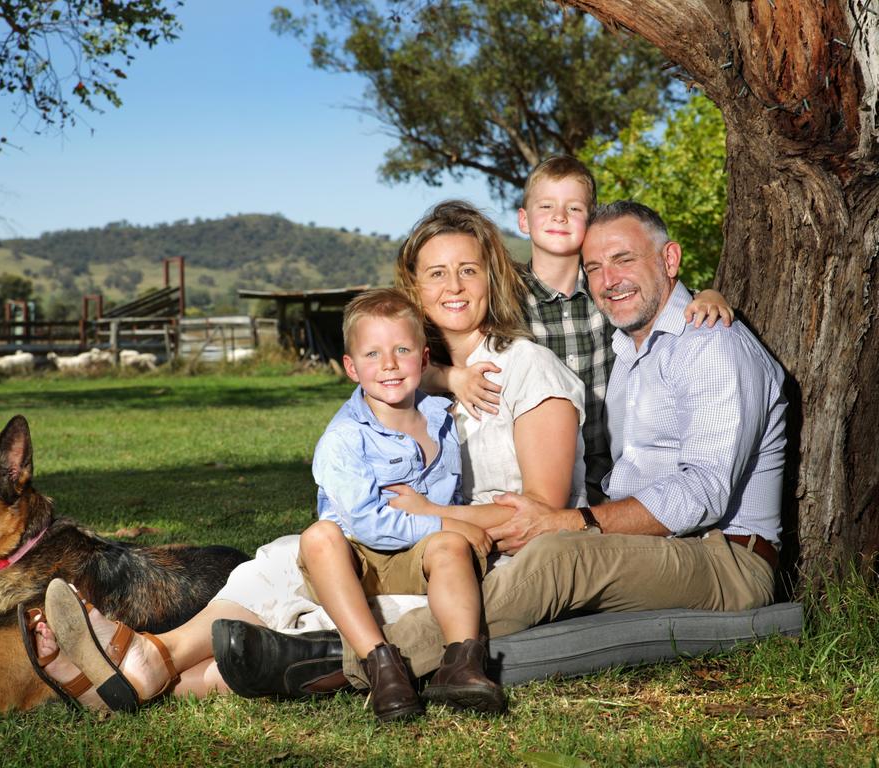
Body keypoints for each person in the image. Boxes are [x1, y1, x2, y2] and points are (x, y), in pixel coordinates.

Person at [29, 200, 587, 711]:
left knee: (319, 597)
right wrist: (443, 375)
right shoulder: (417, 378)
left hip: (479, 550)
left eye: (468, 269)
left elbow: (539, 515)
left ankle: (140, 666)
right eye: (436, 273)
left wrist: (430, 511)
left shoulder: (526, 368)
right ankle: (151, 663)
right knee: (282, 560)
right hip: (412, 532)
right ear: (415, 289)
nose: (454, 285)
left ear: (492, 275)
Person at [321, 200, 787, 687]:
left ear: (669, 260)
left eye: (624, 259)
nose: (609, 279)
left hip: (725, 558)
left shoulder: (712, 345)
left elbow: (702, 494)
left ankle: (347, 664)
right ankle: (356, 645)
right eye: (595, 268)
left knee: (561, 556)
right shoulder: (625, 345)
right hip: (653, 543)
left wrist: (577, 521)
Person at [446, 156, 733, 505]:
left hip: (608, 467)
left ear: (591, 220)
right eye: (546, 206)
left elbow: (665, 295)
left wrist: (709, 295)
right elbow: (426, 345)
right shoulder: (503, 294)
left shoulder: (610, 290)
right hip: (532, 468)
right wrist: (450, 378)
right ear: (523, 219)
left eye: (574, 208)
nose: (559, 216)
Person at [299, 287, 503, 720]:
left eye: (402, 349)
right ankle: (381, 664)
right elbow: (369, 525)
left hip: (413, 559)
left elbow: (449, 499)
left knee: (452, 548)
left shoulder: (441, 418)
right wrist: (445, 525)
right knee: (319, 537)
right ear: (351, 367)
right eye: (372, 354)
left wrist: (449, 529)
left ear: (424, 359)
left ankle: (462, 663)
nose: (389, 364)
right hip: (357, 560)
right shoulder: (343, 439)